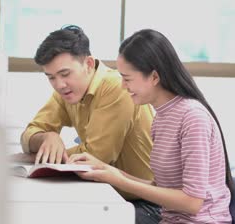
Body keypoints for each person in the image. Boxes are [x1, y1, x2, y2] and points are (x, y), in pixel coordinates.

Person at [68, 29, 233, 224]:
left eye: (127, 79)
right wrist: (105, 170)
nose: (122, 86)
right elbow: (161, 187)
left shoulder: (192, 117)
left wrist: (121, 181)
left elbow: (192, 202)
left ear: (154, 77)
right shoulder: (163, 116)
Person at [19, 25, 156, 202]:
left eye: (65, 73)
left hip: (144, 203)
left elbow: (94, 158)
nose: (59, 84)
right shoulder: (66, 91)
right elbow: (31, 132)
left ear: (89, 64)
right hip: (106, 194)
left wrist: (40, 155)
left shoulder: (116, 87)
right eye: (51, 77)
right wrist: (47, 138)